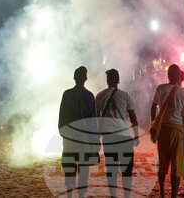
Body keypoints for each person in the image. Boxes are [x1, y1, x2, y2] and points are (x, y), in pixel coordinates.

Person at [150, 64, 184, 198]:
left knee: (162, 162)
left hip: (163, 129)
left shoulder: (160, 88)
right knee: (177, 165)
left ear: (168, 75)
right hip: (178, 130)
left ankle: (162, 193)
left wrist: (154, 123)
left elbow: (153, 107)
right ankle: (173, 195)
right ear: (179, 76)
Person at [95, 68, 139, 198]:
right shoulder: (125, 95)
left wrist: (97, 137)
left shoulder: (100, 96)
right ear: (118, 80)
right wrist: (136, 135)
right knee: (127, 171)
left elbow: (96, 119)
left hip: (109, 138)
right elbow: (133, 117)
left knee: (111, 170)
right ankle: (126, 196)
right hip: (124, 137)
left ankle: (113, 196)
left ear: (108, 80)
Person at [59, 66, 97, 197]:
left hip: (70, 138)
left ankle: (69, 195)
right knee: (83, 169)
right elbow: (93, 121)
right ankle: (81, 195)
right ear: (86, 78)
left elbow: (62, 117)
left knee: (69, 168)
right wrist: (94, 140)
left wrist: (63, 134)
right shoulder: (89, 96)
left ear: (74, 78)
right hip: (84, 140)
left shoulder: (67, 94)